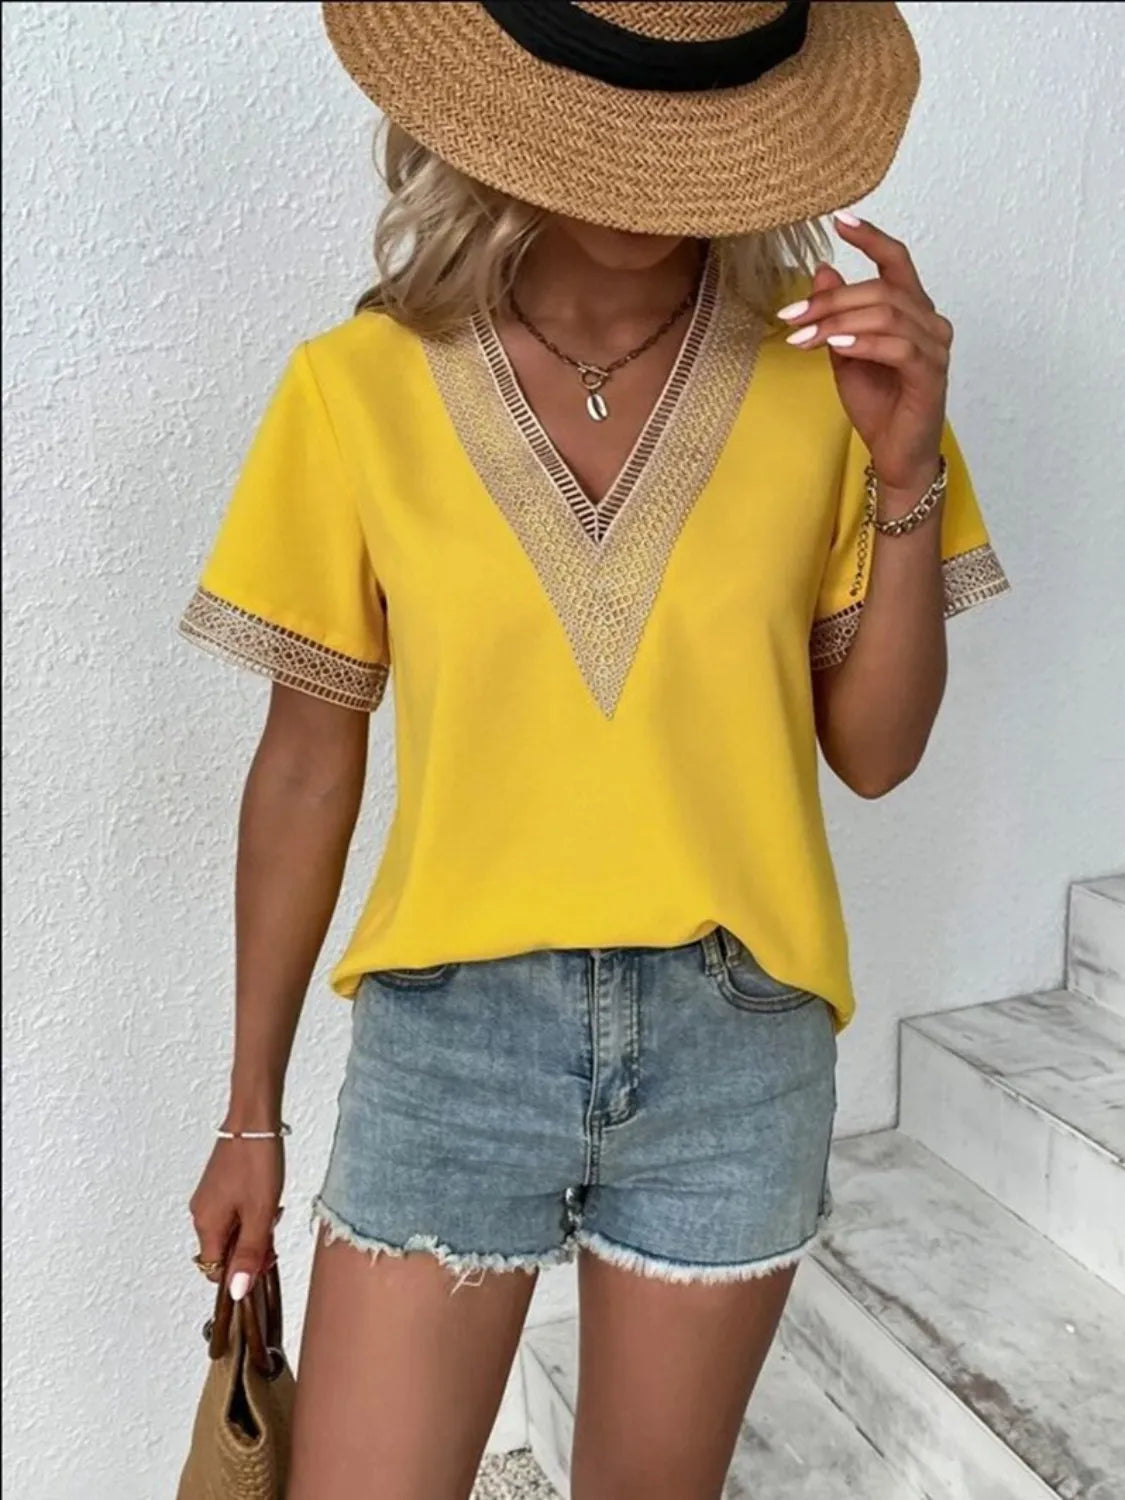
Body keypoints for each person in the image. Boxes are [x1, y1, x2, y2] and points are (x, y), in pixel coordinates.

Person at [181, 4, 1008, 1496]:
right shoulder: (356, 387)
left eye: (688, 132)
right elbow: (305, 766)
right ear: (509, 106)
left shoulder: (827, 381)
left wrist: (905, 472)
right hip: (450, 1039)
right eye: (616, 127)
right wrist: (250, 1111)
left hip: (734, 1040)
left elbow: (876, 755)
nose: (646, 179)